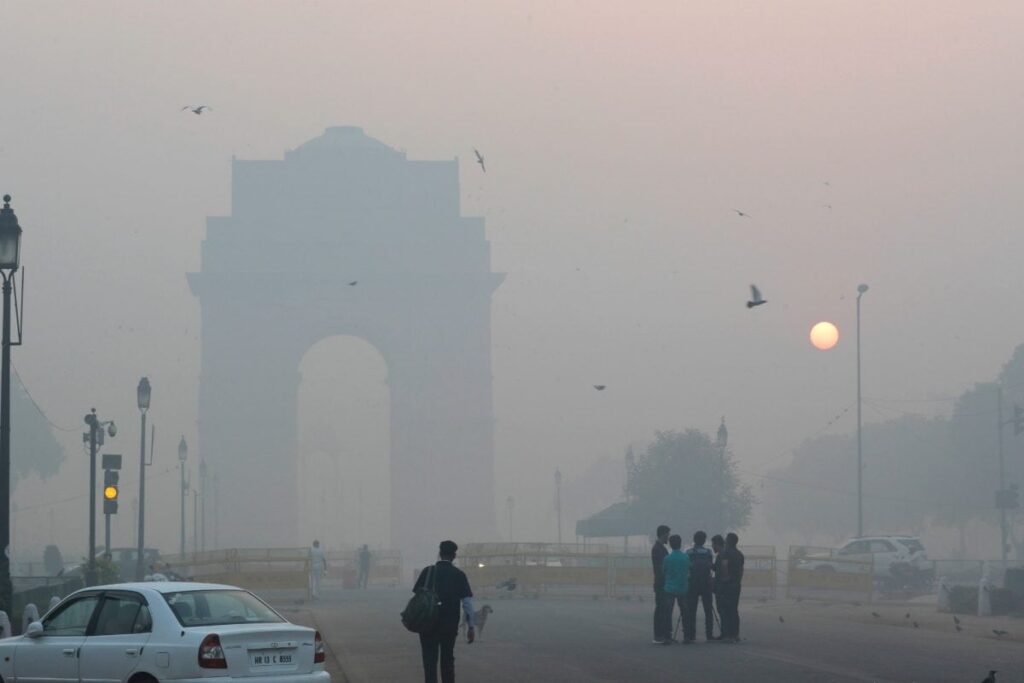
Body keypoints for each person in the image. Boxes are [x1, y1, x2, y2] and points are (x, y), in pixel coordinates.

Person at [413, 540, 475, 683]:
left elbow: (418, 595)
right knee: (447, 659)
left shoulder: (428, 572)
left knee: (429, 660)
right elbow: (467, 603)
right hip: (449, 624)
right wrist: (471, 626)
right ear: (454, 556)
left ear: (440, 554)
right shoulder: (459, 575)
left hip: (427, 623)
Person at [684, 530, 716, 642]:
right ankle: (709, 635)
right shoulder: (708, 552)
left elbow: (687, 568)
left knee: (691, 610)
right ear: (704, 540)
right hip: (706, 584)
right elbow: (711, 566)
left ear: (694, 540)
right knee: (708, 610)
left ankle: (691, 635)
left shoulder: (688, 552)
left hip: (692, 584)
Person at [662, 534, 690, 644]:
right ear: (680, 543)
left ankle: (667, 636)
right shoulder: (686, 557)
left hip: (669, 588)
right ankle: (687, 635)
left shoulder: (667, 558)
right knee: (685, 612)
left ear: (670, 544)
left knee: (667, 613)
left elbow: (664, 572)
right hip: (683, 587)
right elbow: (689, 569)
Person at [717, 532, 745, 643]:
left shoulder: (726, 553)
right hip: (736, 584)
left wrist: (725, 577)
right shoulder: (740, 554)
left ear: (728, 541)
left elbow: (724, 565)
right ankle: (735, 634)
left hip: (727, 585)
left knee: (725, 609)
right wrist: (738, 580)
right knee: (734, 609)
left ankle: (727, 634)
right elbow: (742, 569)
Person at [650, 524, 671, 644]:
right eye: (668, 534)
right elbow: (660, 569)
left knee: (662, 608)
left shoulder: (660, 548)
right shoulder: (658, 549)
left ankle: (662, 634)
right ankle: (658, 635)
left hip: (661, 582)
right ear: (663, 534)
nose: (668, 537)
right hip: (661, 582)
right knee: (660, 609)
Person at [710, 534, 725, 641]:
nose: (712, 547)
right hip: (723, 586)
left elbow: (719, 570)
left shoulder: (721, 555)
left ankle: (725, 633)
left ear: (717, 544)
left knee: (722, 610)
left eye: (713, 545)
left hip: (721, 587)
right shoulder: (722, 554)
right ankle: (727, 633)